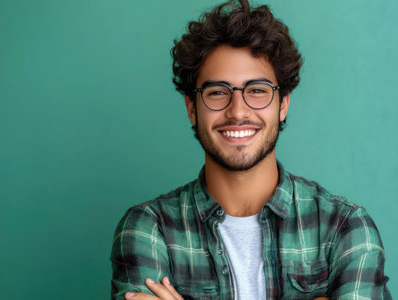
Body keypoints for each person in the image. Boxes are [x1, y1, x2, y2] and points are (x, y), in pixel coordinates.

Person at [110, 0, 391, 299]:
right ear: (191, 108)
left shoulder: (344, 228)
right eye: (217, 93)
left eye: (257, 90)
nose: (238, 111)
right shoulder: (149, 229)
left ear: (283, 104)